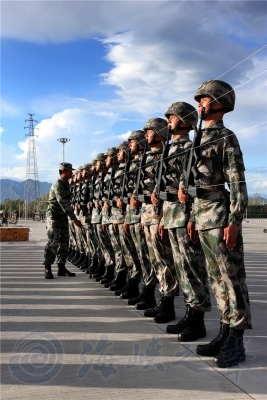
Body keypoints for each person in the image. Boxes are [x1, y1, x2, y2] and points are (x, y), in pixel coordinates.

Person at [179, 80, 252, 368]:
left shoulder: (225, 137)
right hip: (202, 217)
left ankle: (237, 341)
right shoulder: (197, 138)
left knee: (232, 281)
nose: (199, 103)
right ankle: (224, 332)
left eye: (204, 99)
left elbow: (237, 182)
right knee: (217, 280)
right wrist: (191, 216)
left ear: (219, 102)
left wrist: (234, 220)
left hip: (221, 217)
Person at [151, 102, 211, 341]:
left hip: (185, 215)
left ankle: (197, 319)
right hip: (172, 215)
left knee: (192, 268)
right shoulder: (170, 148)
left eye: (173, 117)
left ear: (185, 120)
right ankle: (189, 313)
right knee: (182, 268)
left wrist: (193, 216)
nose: (169, 121)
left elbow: (194, 184)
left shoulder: (188, 146)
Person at [43, 162, 83, 279]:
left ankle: (61, 267)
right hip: (54, 217)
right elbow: (63, 202)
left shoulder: (66, 184)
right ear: (63, 171)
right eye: (70, 171)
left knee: (64, 242)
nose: (72, 173)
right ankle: (48, 267)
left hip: (62, 217)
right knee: (53, 242)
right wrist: (74, 219)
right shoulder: (58, 184)